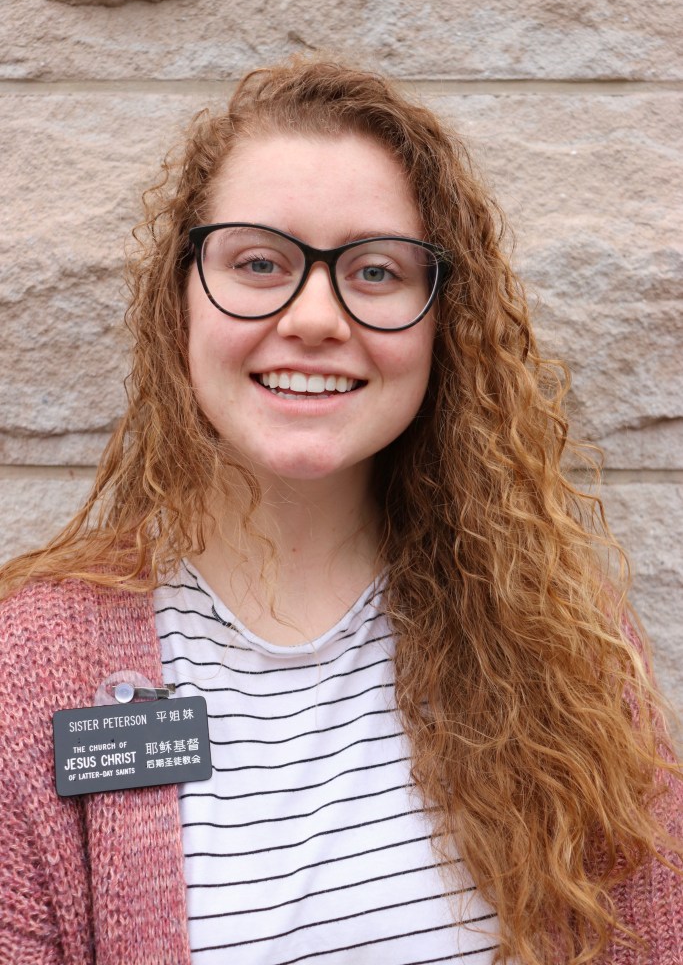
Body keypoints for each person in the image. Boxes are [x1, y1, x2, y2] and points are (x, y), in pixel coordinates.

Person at [0, 57, 681, 965]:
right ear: (178, 303)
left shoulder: (561, 641)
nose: (316, 318)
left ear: (442, 323)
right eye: (258, 262)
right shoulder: (33, 668)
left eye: (374, 271)